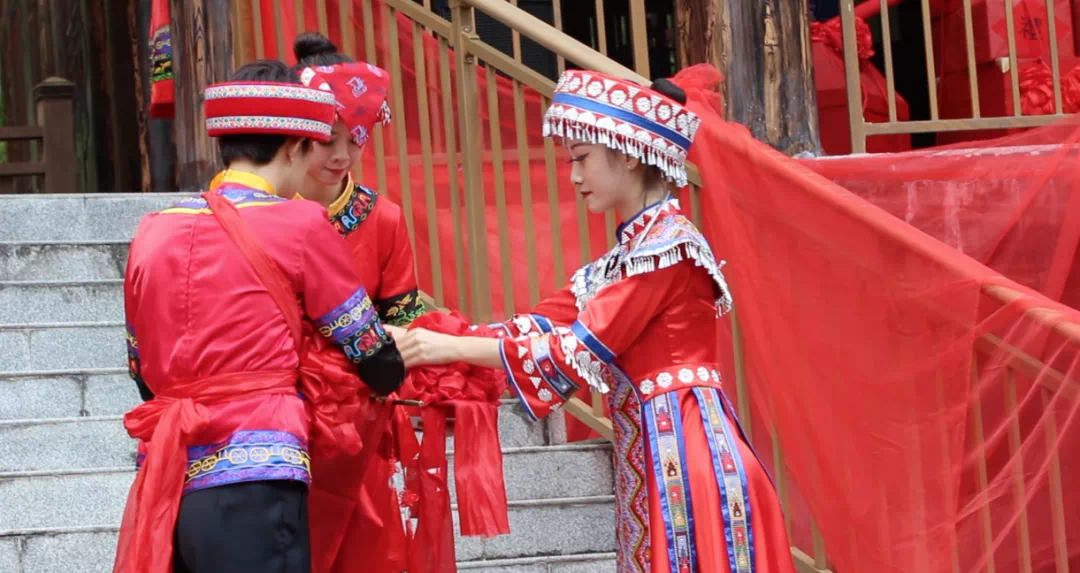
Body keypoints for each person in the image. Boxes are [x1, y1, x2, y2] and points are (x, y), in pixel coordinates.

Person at [392, 69, 797, 573]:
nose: (574, 176)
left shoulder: (668, 249)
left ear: (627, 153)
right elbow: (538, 325)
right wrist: (428, 337)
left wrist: (446, 350)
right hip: (658, 441)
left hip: (687, 451)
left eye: (582, 159)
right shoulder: (627, 256)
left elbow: (576, 350)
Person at [114, 59, 405, 573]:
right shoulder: (299, 223)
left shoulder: (151, 230)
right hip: (258, 476)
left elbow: (141, 372)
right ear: (295, 146)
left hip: (170, 477)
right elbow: (371, 351)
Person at [292, 32, 426, 327]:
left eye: (356, 140)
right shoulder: (262, 210)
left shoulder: (384, 217)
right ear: (296, 134)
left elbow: (402, 316)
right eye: (327, 141)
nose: (341, 156)